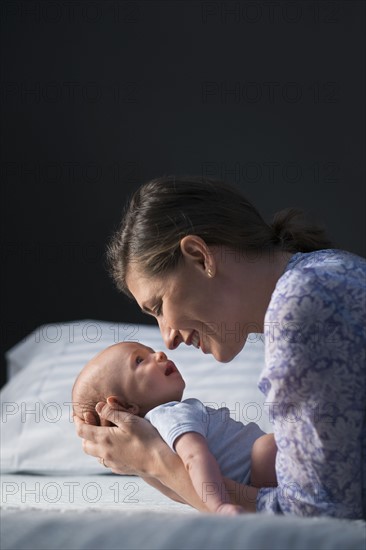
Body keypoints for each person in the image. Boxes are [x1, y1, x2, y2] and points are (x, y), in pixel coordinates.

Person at [74, 175, 366, 518]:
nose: (168, 338)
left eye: (159, 307)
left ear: (199, 256)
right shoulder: (325, 271)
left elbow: (319, 518)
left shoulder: (302, 303)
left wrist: (156, 462)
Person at [72, 341, 277, 515]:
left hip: (254, 481)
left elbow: (178, 488)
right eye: (140, 360)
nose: (160, 354)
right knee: (266, 446)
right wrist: (220, 506)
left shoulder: (155, 435)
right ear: (125, 406)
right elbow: (195, 458)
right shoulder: (171, 413)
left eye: (151, 351)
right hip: (265, 469)